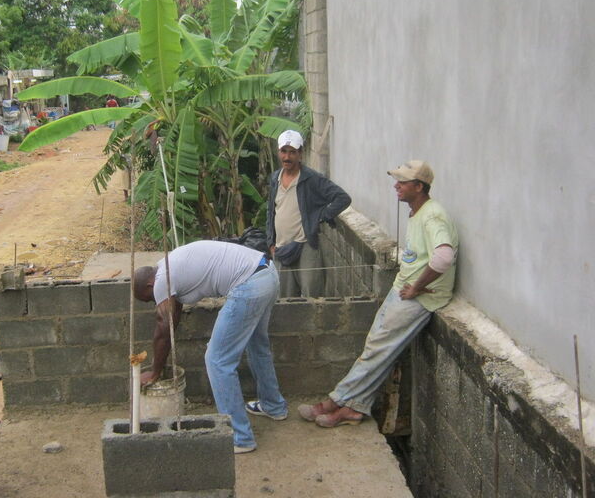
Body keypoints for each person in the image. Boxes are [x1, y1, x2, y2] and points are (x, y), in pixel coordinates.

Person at [297, 160, 458, 427]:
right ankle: (354, 408)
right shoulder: (419, 212)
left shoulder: (433, 216)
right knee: (376, 347)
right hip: (405, 288)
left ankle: (338, 400)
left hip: (420, 296)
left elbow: (443, 257)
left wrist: (417, 286)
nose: (396, 186)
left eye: (402, 182)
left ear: (419, 187)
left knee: (377, 349)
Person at [133, 240, 288, 454]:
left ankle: (240, 437)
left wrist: (155, 372)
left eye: (150, 299)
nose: (154, 301)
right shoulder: (168, 265)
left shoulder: (161, 281)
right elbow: (172, 319)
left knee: (217, 360)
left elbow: (163, 329)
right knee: (257, 345)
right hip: (267, 274)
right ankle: (274, 406)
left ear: (150, 286)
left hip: (248, 286)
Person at [266, 130, 351, 297]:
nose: (287, 157)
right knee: (284, 299)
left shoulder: (311, 178)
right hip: (281, 247)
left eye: (292, 152)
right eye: (284, 151)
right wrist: (270, 242)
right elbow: (270, 211)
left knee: (312, 297)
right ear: (279, 152)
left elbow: (343, 198)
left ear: (300, 153)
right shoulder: (275, 178)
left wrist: (320, 217)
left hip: (306, 245)